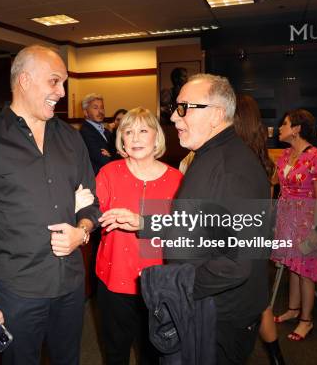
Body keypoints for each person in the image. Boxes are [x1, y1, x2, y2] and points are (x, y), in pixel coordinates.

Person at [0, 45, 101, 365]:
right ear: (24, 80)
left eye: (63, 83)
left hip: (70, 286)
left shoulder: (71, 137)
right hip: (17, 291)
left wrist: (82, 231)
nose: (62, 92)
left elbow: (90, 200)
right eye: (54, 82)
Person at [168, 74, 270, 364]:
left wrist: (176, 285)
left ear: (215, 115)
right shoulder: (218, 155)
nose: (175, 117)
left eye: (184, 107)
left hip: (218, 317)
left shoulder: (227, 169)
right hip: (217, 312)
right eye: (176, 107)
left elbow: (235, 263)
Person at [94, 107, 182, 364]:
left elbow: (181, 230)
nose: (135, 138)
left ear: (157, 137)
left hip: (158, 283)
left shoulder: (176, 179)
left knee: (154, 353)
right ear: (121, 140)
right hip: (113, 278)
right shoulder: (109, 173)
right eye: (128, 132)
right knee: (115, 352)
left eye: (143, 131)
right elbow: (91, 215)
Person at [271, 109, 317, 341]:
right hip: (287, 220)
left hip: (307, 222)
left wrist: (316, 230)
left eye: (284, 124)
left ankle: (306, 320)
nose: (279, 128)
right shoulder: (285, 155)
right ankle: (293, 309)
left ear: (296, 129)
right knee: (292, 266)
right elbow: (277, 182)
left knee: (305, 271)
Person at [233, 94, 285, 365]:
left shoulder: (231, 160)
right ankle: (276, 356)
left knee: (236, 300)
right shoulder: (264, 160)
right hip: (259, 237)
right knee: (260, 298)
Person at [80, 93, 116, 175]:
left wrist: (111, 155)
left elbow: (118, 151)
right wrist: (113, 155)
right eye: (95, 108)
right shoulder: (85, 133)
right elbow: (103, 160)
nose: (100, 111)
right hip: (98, 180)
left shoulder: (105, 131)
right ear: (85, 112)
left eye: (102, 107)